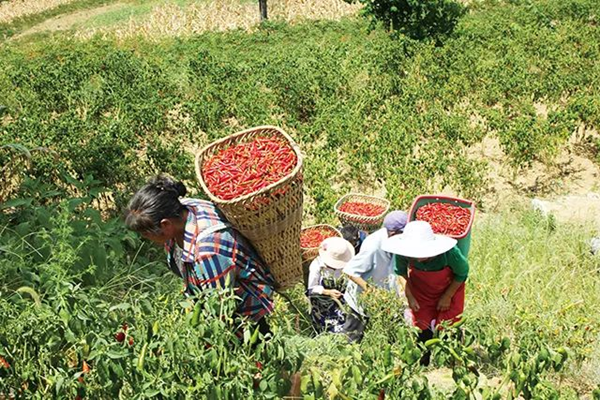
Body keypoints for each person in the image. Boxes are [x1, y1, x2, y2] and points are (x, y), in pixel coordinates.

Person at [124, 175, 275, 338]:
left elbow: (221, 308)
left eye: (147, 234)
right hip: (219, 294)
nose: (146, 239)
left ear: (165, 224)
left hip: (245, 315)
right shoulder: (183, 208)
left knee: (254, 351)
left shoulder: (207, 251)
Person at [382, 220, 469, 362]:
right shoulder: (404, 253)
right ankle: (424, 359)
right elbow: (401, 273)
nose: (418, 258)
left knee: (449, 325)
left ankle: (450, 358)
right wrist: (409, 295)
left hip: (449, 288)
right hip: (421, 291)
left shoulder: (450, 254)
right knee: (422, 324)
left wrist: (447, 296)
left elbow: (462, 274)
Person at [342, 211, 408, 314]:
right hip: (361, 298)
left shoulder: (395, 240)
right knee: (354, 328)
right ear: (393, 233)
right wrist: (371, 291)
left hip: (382, 296)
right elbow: (349, 271)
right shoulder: (373, 246)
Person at [307, 237, 364, 340]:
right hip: (322, 303)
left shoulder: (346, 266)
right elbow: (311, 289)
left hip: (341, 302)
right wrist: (327, 292)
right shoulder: (317, 266)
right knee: (325, 329)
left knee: (344, 326)